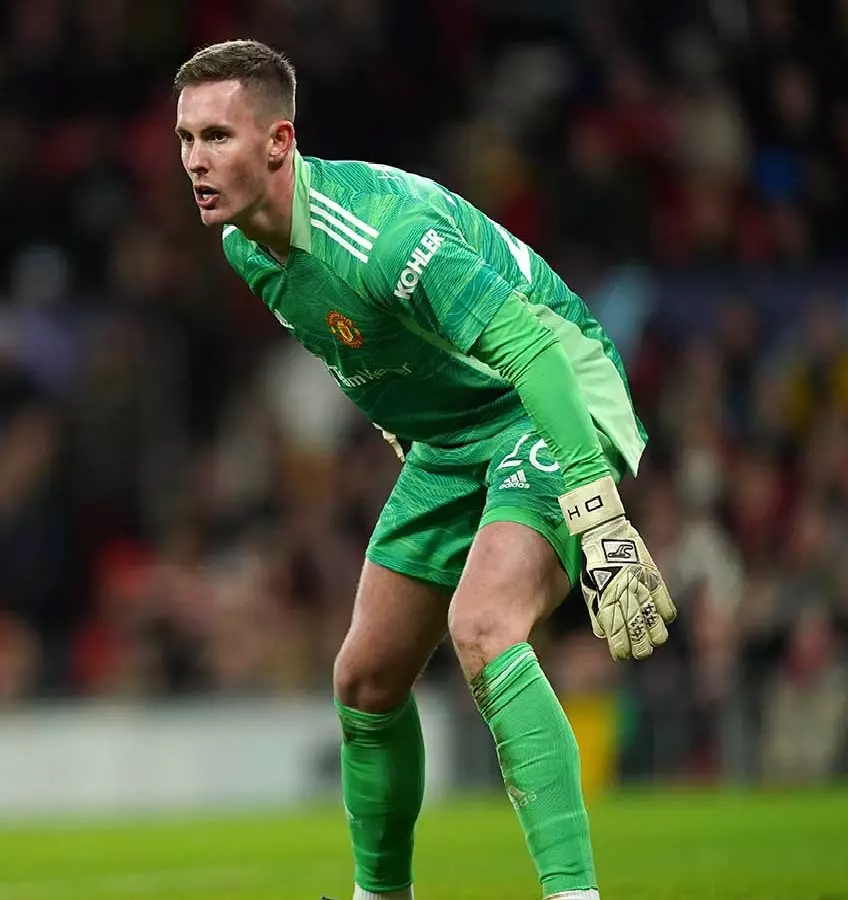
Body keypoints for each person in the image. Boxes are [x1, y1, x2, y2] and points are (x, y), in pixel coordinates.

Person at [172, 39, 678, 900]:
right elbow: (358, 345)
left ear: (279, 141)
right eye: (186, 138)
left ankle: (574, 895)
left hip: (545, 399)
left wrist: (599, 516)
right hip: (449, 437)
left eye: (217, 136)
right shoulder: (246, 250)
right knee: (365, 677)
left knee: (483, 626)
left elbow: (532, 350)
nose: (194, 160)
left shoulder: (383, 236)